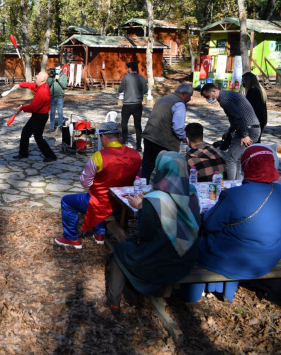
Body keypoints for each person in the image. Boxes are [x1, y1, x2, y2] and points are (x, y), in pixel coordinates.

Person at [180, 145, 281, 303]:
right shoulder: (279, 190)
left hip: (233, 260)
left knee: (189, 242)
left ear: (246, 166)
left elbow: (208, 225)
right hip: (269, 258)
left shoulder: (234, 195)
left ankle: (190, 296)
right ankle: (224, 293)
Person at [104, 152, 201, 315]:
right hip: (185, 260)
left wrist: (142, 207)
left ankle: (114, 302)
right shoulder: (191, 193)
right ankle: (131, 297)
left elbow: (145, 234)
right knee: (129, 248)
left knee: (121, 251)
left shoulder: (154, 199)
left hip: (160, 265)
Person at [55, 122, 141, 248]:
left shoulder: (99, 156)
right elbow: (138, 179)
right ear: (118, 136)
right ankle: (100, 233)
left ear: (103, 137)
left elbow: (85, 182)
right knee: (101, 196)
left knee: (67, 201)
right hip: (124, 204)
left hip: (101, 203)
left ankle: (71, 238)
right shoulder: (135, 154)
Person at [201, 83, 260, 180]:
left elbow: (239, 117)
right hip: (252, 127)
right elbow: (234, 117)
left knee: (230, 160)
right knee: (237, 159)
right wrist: (230, 130)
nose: (208, 99)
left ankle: (230, 186)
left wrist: (244, 135)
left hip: (247, 129)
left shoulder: (224, 99)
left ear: (214, 91)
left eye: (207, 96)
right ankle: (238, 185)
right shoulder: (228, 95)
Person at [141, 83, 194, 184]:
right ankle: (163, 191)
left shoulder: (164, 98)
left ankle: (142, 190)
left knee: (147, 167)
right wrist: (184, 138)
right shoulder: (179, 104)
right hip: (163, 141)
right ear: (184, 94)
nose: (190, 99)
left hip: (149, 136)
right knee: (166, 169)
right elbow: (177, 127)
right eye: (190, 96)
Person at [10, 71, 57, 162]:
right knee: (25, 132)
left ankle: (51, 156)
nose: (36, 76)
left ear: (43, 79)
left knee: (38, 137)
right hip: (37, 115)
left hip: (40, 116)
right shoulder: (40, 86)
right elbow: (31, 85)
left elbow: (34, 107)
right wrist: (20, 85)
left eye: (38, 75)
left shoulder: (43, 91)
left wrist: (22, 108)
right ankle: (23, 153)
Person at [118, 61, 147, 151]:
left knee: (124, 123)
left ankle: (125, 140)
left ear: (130, 68)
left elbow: (120, 90)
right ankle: (138, 146)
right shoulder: (142, 78)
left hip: (127, 104)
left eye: (128, 68)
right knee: (138, 125)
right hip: (138, 104)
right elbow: (145, 90)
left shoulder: (126, 78)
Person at [241, 72, 267, 142]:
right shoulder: (259, 89)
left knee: (252, 141)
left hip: (254, 121)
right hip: (261, 119)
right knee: (257, 140)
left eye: (244, 82)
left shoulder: (252, 91)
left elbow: (249, 107)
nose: (243, 84)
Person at [47, 63, 67, 131]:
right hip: (52, 97)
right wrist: (53, 78)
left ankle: (60, 126)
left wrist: (59, 79)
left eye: (58, 69)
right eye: (56, 69)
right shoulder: (51, 75)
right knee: (52, 112)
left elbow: (64, 86)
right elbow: (47, 84)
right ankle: (52, 127)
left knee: (60, 112)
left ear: (61, 69)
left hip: (60, 97)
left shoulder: (64, 76)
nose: (57, 70)